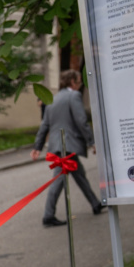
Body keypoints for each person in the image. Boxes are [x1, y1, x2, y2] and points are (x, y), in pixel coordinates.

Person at [30, 69, 104, 227]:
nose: (80, 84)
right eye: (79, 81)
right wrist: (92, 141)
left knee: (80, 175)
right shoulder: (74, 96)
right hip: (67, 145)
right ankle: (48, 216)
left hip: (59, 145)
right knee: (58, 180)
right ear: (72, 82)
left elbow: (45, 125)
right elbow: (81, 120)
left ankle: (95, 204)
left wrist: (38, 146)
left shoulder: (53, 99)